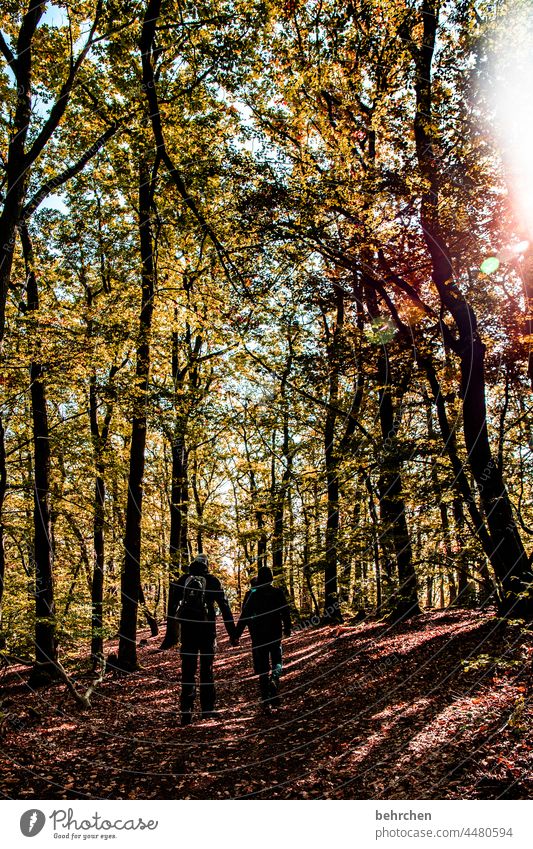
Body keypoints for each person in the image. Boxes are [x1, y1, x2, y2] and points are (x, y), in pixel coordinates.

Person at [173, 553, 235, 726]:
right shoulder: (213, 581)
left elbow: (173, 604)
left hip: (188, 632)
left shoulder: (183, 579)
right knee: (206, 669)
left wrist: (176, 627)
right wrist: (232, 633)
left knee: (188, 669)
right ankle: (207, 709)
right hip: (207, 632)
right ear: (207, 565)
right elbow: (224, 607)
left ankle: (186, 709)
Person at [233, 566, 291, 712]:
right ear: (271, 578)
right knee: (277, 661)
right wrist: (287, 628)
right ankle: (275, 681)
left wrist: (236, 635)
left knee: (263, 667)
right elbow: (285, 611)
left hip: (259, 635)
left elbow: (245, 615)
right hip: (275, 634)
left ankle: (266, 701)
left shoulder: (254, 594)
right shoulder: (278, 592)